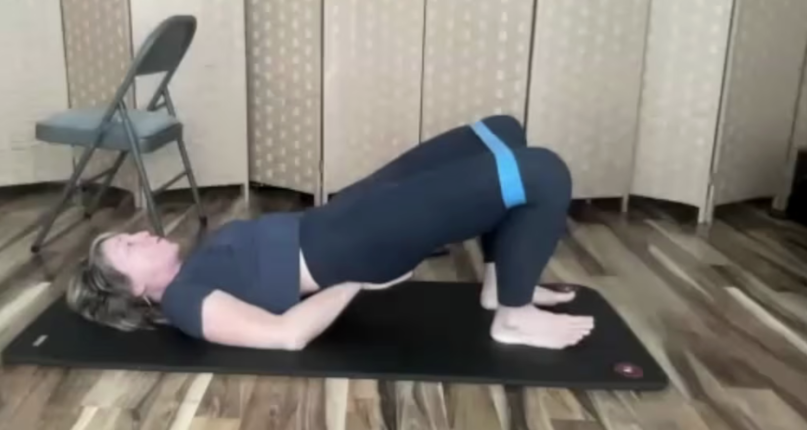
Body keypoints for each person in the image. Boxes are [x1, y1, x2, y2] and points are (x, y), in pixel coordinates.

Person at [66, 115, 595, 351]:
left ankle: (501, 285)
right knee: (543, 171)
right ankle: (514, 319)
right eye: (128, 248)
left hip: (343, 215)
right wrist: (360, 285)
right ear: (134, 289)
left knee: (501, 132)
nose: (140, 233)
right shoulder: (183, 302)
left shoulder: (193, 269)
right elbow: (286, 336)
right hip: (355, 245)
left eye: (129, 235)